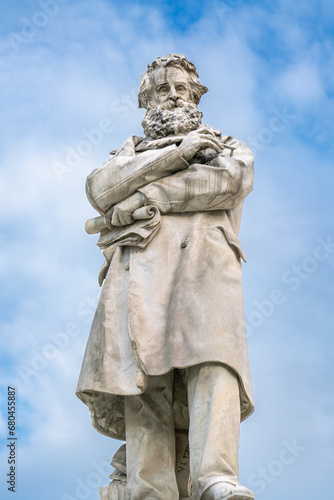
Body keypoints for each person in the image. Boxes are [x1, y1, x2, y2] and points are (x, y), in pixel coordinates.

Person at [76, 53, 255, 500]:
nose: (172, 95)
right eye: (161, 89)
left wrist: (142, 196)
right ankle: (148, 489)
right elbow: (101, 189)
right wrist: (178, 156)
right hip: (139, 270)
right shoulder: (128, 152)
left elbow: (224, 182)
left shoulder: (225, 143)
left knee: (214, 362)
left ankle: (216, 478)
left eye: (180, 87)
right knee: (142, 377)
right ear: (146, 101)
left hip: (205, 264)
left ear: (196, 95)